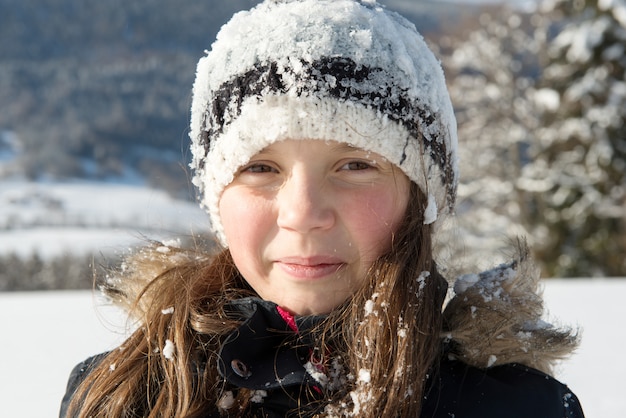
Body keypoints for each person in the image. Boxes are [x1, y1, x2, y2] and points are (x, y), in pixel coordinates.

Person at [60, 0, 585, 417]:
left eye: (355, 165)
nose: (303, 212)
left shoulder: (518, 406)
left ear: (421, 198)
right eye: (260, 168)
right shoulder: (121, 396)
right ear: (217, 199)